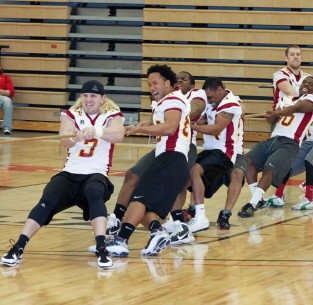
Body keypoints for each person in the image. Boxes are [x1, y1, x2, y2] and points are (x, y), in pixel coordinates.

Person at [1, 80, 125, 269]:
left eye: (93, 96)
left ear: (102, 99)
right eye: (85, 95)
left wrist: (97, 131)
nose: (88, 99)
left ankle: (102, 249)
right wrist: (72, 138)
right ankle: (18, 247)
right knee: (48, 197)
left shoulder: (111, 116)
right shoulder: (71, 115)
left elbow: (118, 134)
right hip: (69, 173)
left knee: (94, 192)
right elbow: (65, 140)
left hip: (96, 174)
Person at [105, 71, 205, 246]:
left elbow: (170, 128)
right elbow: (168, 121)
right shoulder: (167, 102)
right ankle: (165, 230)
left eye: (155, 83)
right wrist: (146, 124)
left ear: (168, 83)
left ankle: (122, 239)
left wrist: (139, 130)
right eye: (149, 84)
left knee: (139, 199)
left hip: (171, 155)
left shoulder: (173, 100)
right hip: (167, 155)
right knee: (145, 197)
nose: (152, 88)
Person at [237, 76, 313, 217]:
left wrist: (277, 111)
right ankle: (258, 199)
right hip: (273, 139)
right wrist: (271, 116)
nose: (306, 85)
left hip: (290, 143)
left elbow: (297, 108)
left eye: (311, 84)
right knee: (247, 161)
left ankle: (251, 204)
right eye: (304, 82)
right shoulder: (287, 100)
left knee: (269, 168)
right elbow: (273, 120)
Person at [268, 74, 313, 209]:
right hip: (308, 141)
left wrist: (292, 109)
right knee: (287, 163)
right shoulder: (305, 100)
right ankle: (278, 195)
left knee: (310, 161)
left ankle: (308, 198)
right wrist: (280, 112)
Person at [187, 77, 243, 233]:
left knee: (195, 171)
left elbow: (217, 128)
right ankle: (181, 215)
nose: (209, 101)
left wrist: (191, 126)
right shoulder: (214, 103)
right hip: (210, 150)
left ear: (220, 90)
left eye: (211, 97)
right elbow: (204, 121)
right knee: (186, 175)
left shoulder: (230, 104)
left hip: (224, 152)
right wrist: (198, 122)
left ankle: (203, 216)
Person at [272, 44, 311, 111]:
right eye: (292, 54)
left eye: (298, 54)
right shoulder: (280, 74)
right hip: (281, 114)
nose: (295, 57)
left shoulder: (307, 77)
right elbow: (290, 92)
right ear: (286, 58)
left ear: (301, 58)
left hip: (299, 113)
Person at [0, 66, 14, 135]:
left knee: (8, 101)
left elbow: (11, 92)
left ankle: (7, 127)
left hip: (1, 96)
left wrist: (0, 91)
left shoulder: (6, 78)